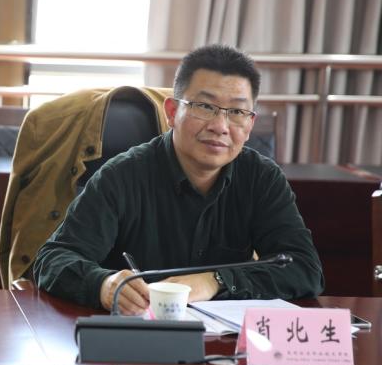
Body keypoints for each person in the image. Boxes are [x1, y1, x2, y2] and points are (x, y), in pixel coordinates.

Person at [33, 44, 324, 314]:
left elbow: (304, 269)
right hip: (133, 337)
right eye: (205, 107)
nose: (220, 126)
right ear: (172, 112)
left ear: (249, 125)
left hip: (226, 345)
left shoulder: (262, 179)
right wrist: (103, 285)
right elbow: (53, 259)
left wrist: (215, 280)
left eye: (236, 112)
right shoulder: (122, 175)